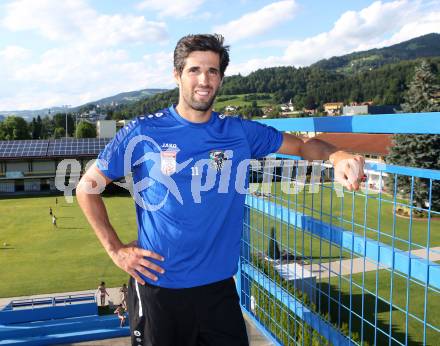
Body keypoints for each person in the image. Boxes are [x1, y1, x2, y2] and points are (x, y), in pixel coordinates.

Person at [76, 34, 364, 346]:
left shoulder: (238, 132)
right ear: (177, 75)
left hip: (218, 290)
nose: (204, 79)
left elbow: (303, 145)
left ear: (221, 79)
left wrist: (338, 156)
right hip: (159, 289)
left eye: (213, 71)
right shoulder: (143, 130)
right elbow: (86, 188)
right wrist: (115, 250)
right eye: (194, 70)